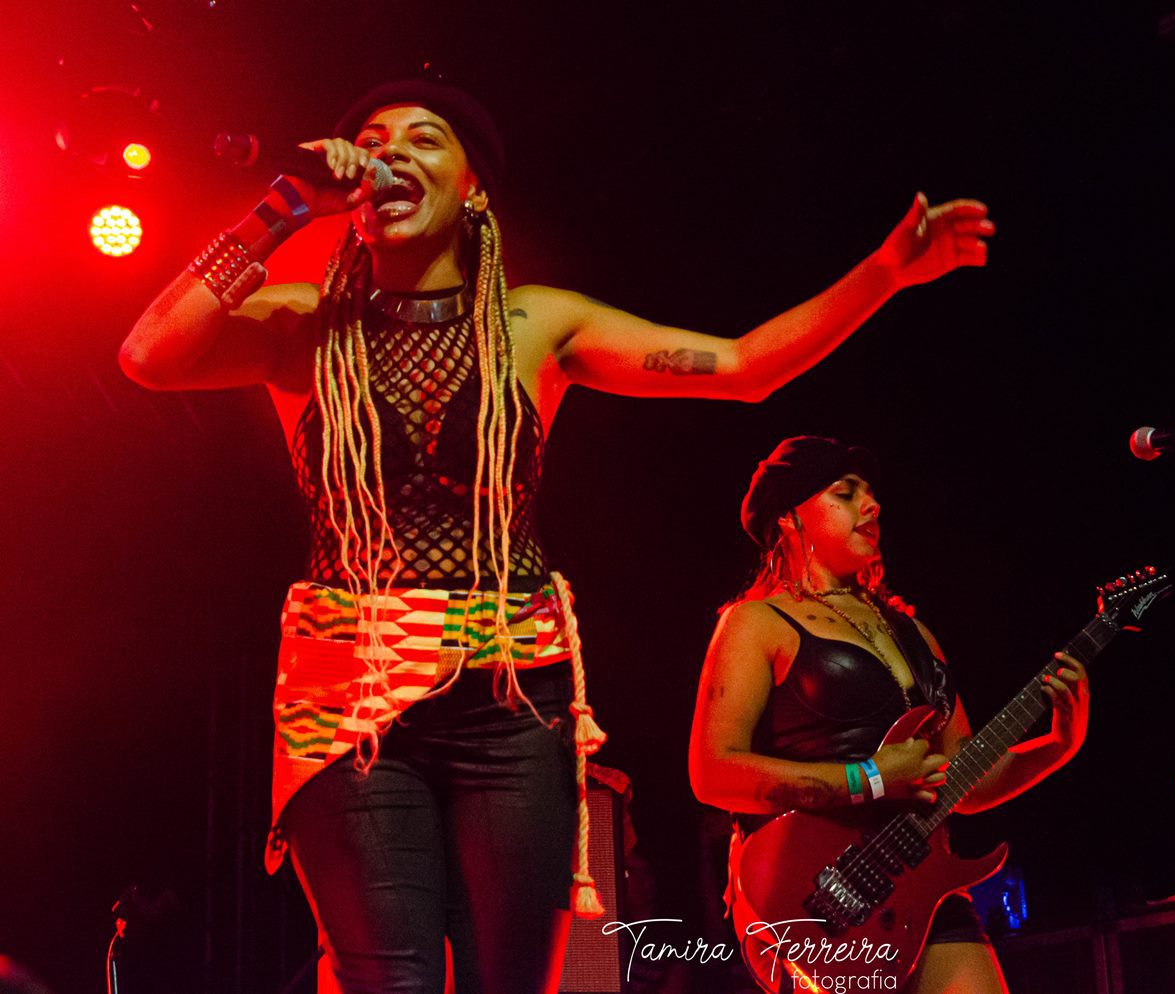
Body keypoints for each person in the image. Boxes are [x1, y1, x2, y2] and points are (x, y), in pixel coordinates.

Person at [117, 79, 992, 994]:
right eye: (374, 141)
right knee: (388, 979)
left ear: (474, 190)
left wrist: (885, 274)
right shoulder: (303, 322)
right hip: (350, 691)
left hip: (511, 693)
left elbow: (740, 369)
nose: (391, 153)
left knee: (515, 979)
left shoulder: (535, 324)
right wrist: (282, 208)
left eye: (425, 139)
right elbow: (149, 355)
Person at [688, 436, 1089, 994]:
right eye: (845, 494)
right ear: (788, 518)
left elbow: (963, 780)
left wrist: (1057, 746)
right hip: (813, 893)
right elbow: (714, 772)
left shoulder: (915, 634)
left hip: (919, 884)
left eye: (873, 497)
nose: (871, 508)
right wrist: (871, 778)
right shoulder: (757, 621)